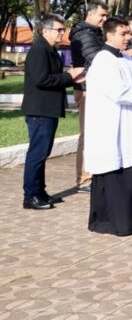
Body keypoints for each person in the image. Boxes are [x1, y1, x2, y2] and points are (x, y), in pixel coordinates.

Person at [85, 17, 132, 236]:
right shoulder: (103, 60)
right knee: (114, 168)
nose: (127, 37)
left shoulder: (127, 60)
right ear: (109, 35)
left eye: (128, 33)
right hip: (111, 124)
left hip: (128, 123)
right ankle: (113, 221)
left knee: (129, 168)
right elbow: (121, 92)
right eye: (123, 33)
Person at [22, 14, 85, 210]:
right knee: (37, 154)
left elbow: (53, 79)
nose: (61, 33)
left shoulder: (50, 50)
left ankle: (40, 192)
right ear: (45, 30)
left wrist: (71, 78)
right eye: (58, 30)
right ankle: (30, 196)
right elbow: (42, 79)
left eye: (63, 30)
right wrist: (68, 76)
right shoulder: (39, 50)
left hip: (47, 109)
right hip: (39, 110)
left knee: (42, 153)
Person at [70, 0, 108, 191]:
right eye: (102, 15)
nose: (105, 19)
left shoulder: (95, 33)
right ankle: (84, 178)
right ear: (90, 14)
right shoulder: (84, 34)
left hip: (95, 87)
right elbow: (97, 59)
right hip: (86, 88)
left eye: (106, 15)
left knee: (95, 134)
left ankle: (93, 174)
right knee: (88, 135)